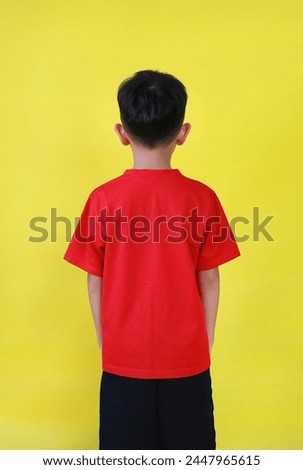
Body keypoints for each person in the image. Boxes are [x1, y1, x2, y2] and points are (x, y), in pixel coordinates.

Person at [63, 69, 241, 450]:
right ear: (183, 131)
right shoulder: (202, 198)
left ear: (121, 132)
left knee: (124, 455)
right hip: (188, 359)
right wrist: (204, 340)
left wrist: (104, 339)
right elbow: (210, 279)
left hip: (121, 359)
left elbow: (95, 280)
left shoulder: (103, 200)